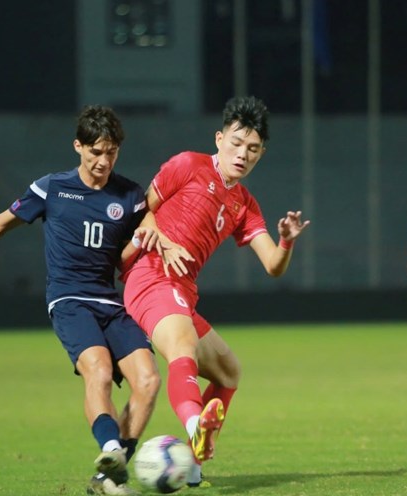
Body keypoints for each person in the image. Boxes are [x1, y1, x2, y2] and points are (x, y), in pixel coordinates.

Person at [0, 105, 161, 496]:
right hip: (70, 300)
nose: (102, 161)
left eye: (110, 152)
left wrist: (153, 227)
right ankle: (110, 449)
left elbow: (146, 227)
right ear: (78, 146)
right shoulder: (51, 189)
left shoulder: (129, 194)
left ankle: (111, 474)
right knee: (100, 372)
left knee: (149, 380)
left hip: (111, 302)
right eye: (95, 152)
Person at [121, 96, 311, 487]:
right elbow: (141, 208)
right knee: (184, 348)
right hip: (151, 276)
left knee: (228, 372)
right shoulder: (188, 164)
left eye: (253, 149)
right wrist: (154, 231)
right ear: (220, 138)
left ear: (262, 154)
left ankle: (190, 465)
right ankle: (195, 427)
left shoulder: (244, 205)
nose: (243, 154)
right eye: (237, 143)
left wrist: (287, 241)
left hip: (182, 291)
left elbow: (273, 266)